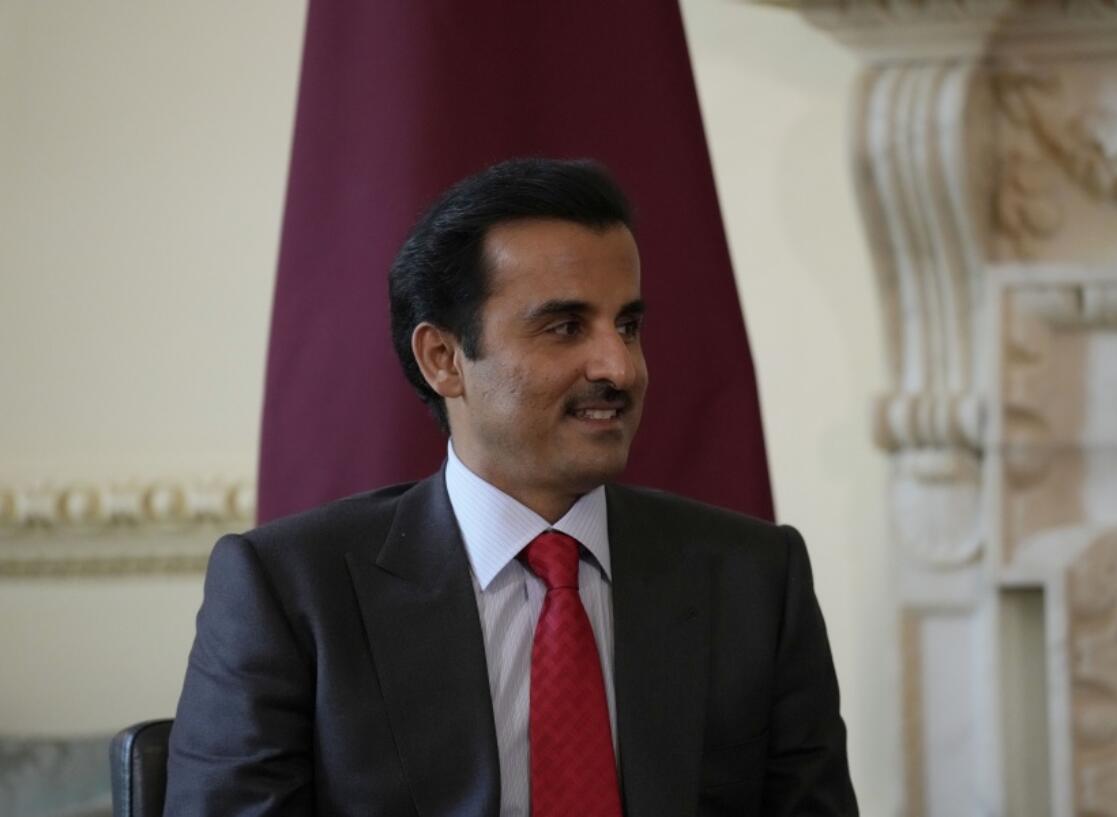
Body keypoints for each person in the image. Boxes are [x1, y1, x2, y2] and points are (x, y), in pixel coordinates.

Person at [165, 158, 857, 816]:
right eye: (564, 327)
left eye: (629, 325)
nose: (620, 366)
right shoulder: (290, 592)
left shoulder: (755, 581)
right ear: (444, 359)